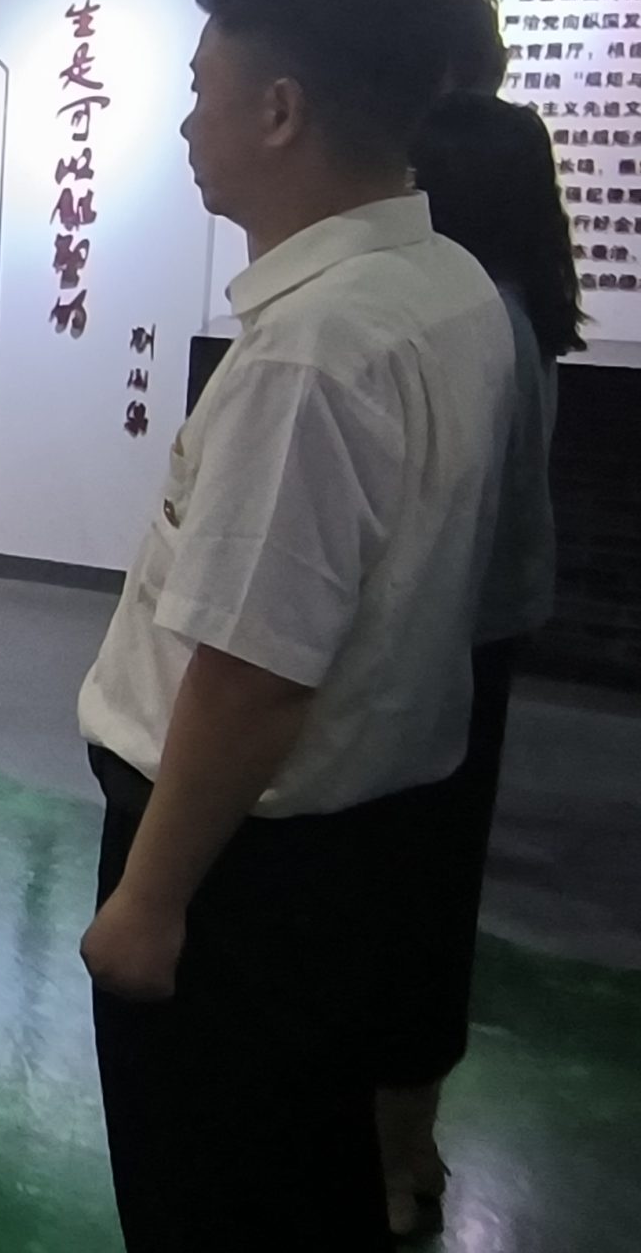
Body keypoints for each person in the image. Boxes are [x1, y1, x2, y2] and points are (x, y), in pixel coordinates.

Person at [75, 0, 515, 1252]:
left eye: (199, 89)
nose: (185, 124)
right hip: (359, 845)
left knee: (212, 1193)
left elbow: (253, 673)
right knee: (301, 1176)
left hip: (241, 875)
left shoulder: (315, 351)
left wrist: (151, 900)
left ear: (279, 110)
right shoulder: (447, 285)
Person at [373, 87, 580, 1236]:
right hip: (483, 636)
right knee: (431, 896)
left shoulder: (470, 322)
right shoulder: (518, 309)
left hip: (440, 644)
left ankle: (394, 1145)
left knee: (408, 898)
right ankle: (408, 1141)